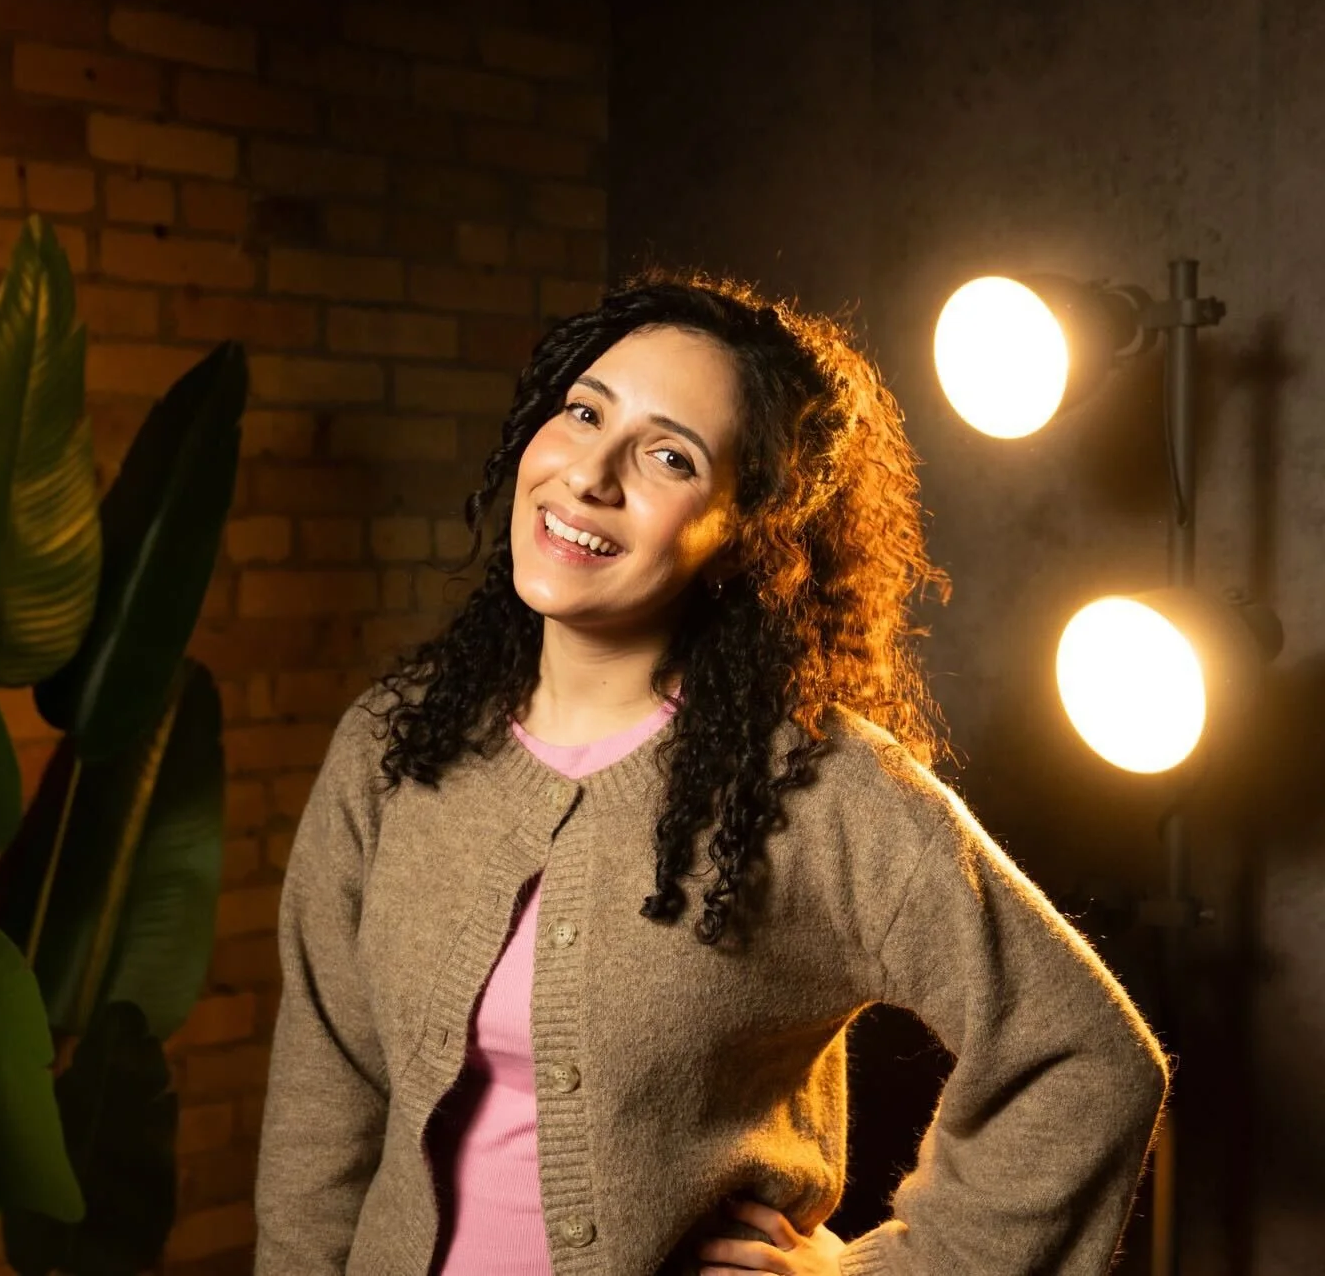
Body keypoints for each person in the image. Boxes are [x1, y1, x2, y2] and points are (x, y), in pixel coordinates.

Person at [252, 271, 1169, 1276]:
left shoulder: (814, 789)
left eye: (667, 455)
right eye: (581, 413)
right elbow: (322, 1106)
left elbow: (1084, 1059)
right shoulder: (394, 746)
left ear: (746, 529)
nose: (589, 475)